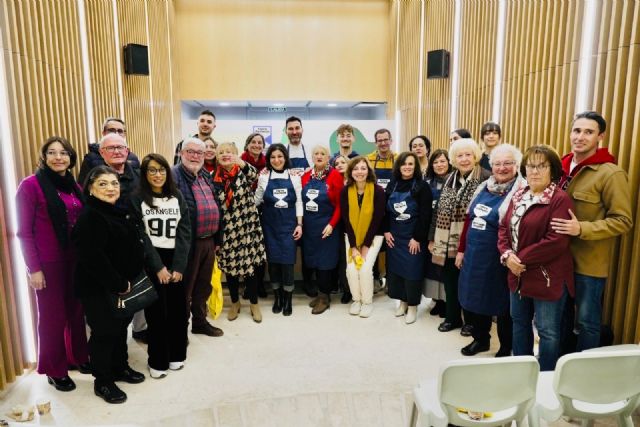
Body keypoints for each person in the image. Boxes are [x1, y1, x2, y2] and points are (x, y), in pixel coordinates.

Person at [551, 111, 633, 351]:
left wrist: (582, 228)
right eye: (577, 130)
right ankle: (560, 365)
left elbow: (623, 220)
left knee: (587, 322)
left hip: (589, 264)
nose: (581, 137)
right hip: (557, 259)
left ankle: (584, 371)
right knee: (559, 319)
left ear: (600, 137)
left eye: (589, 132)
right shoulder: (559, 167)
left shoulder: (611, 173)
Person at [16, 136, 89, 392]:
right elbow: (23, 232)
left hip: (75, 260)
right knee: (52, 318)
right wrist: (33, 269)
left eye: (64, 153)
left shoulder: (74, 187)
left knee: (76, 312)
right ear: (44, 157)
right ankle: (55, 369)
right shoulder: (31, 185)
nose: (59, 157)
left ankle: (78, 357)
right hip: (48, 263)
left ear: (71, 158)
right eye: (52, 152)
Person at [73, 166, 146, 403]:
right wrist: (118, 283)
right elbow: (93, 257)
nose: (110, 188)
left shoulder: (115, 211)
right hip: (100, 288)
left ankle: (120, 368)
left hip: (122, 286)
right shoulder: (91, 216)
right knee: (104, 333)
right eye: (102, 184)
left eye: (114, 183)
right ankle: (102, 382)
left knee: (119, 329)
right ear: (91, 189)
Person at [498, 145, 575, 371]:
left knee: (547, 331)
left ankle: (545, 376)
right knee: (519, 324)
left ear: (553, 170)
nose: (535, 171)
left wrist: (519, 259)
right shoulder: (520, 194)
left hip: (546, 277)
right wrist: (507, 256)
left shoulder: (560, 199)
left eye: (542, 166)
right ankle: (522, 371)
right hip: (517, 273)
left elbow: (556, 240)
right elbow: (503, 228)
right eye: (531, 165)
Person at [456, 144, 525, 356]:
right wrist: (461, 250)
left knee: (502, 303)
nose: (502, 168)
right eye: (497, 163)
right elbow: (469, 220)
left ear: (517, 165)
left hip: (500, 257)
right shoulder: (484, 186)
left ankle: (506, 346)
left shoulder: (522, 190)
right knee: (474, 298)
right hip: (475, 254)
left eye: (507, 163)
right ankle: (481, 339)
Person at [130, 154, 191, 380]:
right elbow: (141, 236)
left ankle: (177, 355)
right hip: (152, 261)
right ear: (145, 174)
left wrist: (179, 267)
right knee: (156, 314)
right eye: (152, 170)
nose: (158, 174)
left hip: (176, 260)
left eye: (162, 170)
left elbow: (185, 232)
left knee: (177, 311)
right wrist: (158, 267)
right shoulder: (138, 199)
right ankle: (157, 360)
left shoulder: (176, 197)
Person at [430, 139, 490, 335]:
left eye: (468, 155)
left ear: (475, 156)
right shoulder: (449, 179)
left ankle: (471, 322)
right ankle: (452, 318)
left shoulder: (485, 179)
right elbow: (437, 211)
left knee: (470, 284)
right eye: (459, 155)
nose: (464, 159)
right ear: (453, 159)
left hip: (473, 241)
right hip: (447, 242)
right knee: (450, 282)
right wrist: (432, 238)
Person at [172, 137, 223, 337]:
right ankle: (180, 330)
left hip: (208, 241)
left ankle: (200, 322)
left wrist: (217, 240)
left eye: (199, 153)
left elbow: (215, 206)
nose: (195, 156)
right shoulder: (174, 176)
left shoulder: (205, 175)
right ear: (181, 153)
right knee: (185, 290)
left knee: (203, 286)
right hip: (187, 243)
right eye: (190, 151)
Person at [212, 142, 266, 323]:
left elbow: (255, 175)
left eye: (229, 152)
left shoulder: (243, 171)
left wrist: (241, 163)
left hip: (248, 229)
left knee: (250, 269)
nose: (225, 155)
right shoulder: (213, 177)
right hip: (227, 231)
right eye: (221, 153)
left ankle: (254, 303)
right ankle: (235, 303)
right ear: (216, 157)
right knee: (231, 270)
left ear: (236, 154)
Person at [383, 152, 432, 324]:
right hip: (394, 237)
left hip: (412, 237)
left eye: (411, 164)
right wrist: (386, 231)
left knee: (412, 272)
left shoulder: (422, 186)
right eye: (404, 164)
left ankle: (412, 305)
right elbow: (385, 210)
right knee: (397, 272)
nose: (407, 167)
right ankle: (402, 302)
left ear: (415, 166)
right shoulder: (393, 184)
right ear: (399, 166)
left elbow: (426, 215)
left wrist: (417, 238)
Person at [255, 143, 303, 316]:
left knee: (288, 263)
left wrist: (299, 224)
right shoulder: (264, 177)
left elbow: (299, 201)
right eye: (273, 157)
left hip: (289, 226)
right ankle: (278, 298)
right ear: (269, 159)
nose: (276, 160)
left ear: (285, 157)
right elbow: (257, 200)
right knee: (273, 263)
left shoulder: (294, 176)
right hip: (269, 226)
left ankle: (288, 300)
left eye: (280, 156)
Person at [340, 156, 386, 318]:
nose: (359, 172)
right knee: (351, 269)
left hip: (374, 236)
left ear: (368, 171)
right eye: (356, 168)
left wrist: (365, 246)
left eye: (363, 168)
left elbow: (377, 220)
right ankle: (356, 300)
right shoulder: (346, 191)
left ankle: (367, 302)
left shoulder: (378, 191)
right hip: (352, 236)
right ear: (351, 172)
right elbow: (346, 220)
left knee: (365, 269)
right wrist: (354, 247)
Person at [301, 145, 344, 314]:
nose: (319, 156)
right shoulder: (305, 176)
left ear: (328, 158)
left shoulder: (334, 176)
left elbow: (341, 205)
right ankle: (320, 294)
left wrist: (332, 224)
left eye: (323, 154)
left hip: (327, 226)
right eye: (316, 153)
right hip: (310, 227)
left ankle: (325, 297)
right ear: (312, 157)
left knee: (325, 262)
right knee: (313, 261)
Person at [423, 149, 452, 317]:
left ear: (449, 162)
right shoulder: (427, 182)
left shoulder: (455, 182)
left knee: (446, 268)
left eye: (443, 161)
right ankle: (438, 300)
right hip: (430, 230)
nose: (439, 165)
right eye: (435, 162)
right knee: (433, 267)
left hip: (449, 231)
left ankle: (449, 302)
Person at [240, 132, 268, 298]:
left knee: (260, 248)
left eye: (260, 142)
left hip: (262, 209)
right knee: (246, 248)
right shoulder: (239, 162)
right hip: (243, 211)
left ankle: (259, 284)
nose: (257, 145)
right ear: (247, 144)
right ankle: (248, 285)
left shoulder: (267, 163)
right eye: (253, 142)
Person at [78, 117, 140, 185]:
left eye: (120, 131)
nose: (116, 133)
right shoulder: (91, 158)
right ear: (103, 133)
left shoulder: (133, 158)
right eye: (111, 130)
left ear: (124, 134)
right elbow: (83, 185)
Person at [332, 154, 352, 303]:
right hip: (338, 224)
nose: (339, 164)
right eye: (336, 163)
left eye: (342, 162)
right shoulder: (332, 180)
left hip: (354, 224)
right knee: (342, 258)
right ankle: (346, 289)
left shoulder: (354, 180)